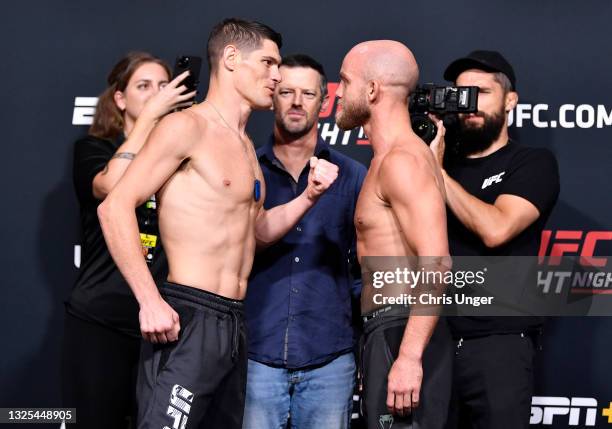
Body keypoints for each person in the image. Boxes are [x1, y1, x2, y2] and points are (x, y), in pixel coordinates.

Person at [97, 19, 339, 429]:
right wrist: (149, 299)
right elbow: (114, 207)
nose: (276, 76)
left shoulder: (246, 146)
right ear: (230, 58)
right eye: (267, 63)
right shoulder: (186, 126)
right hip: (187, 316)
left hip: (233, 322)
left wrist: (308, 197)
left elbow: (256, 231)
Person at [62, 51, 195, 429]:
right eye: (143, 86)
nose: (155, 93)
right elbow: (110, 185)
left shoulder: (178, 156)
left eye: (162, 86)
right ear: (120, 99)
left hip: (162, 322)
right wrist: (151, 117)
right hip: (101, 318)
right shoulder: (93, 150)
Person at [429, 50, 560, 428]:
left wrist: (436, 174)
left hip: (497, 341)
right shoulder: (436, 159)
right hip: (431, 338)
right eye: (461, 94)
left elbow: (496, 229)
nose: (468, 104)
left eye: (481, 92)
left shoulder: (531, 163)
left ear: (510, 100)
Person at [242, 54, 366, 429]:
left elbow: (364, 269)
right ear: (272, 96)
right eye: (287, 92)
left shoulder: (353, 175)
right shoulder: (246, 168)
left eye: (308, 93)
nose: (297, 102)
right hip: (255, 355)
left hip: (329, 357)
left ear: (324, 101)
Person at [336, 40, 453, 429]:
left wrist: (408, 356)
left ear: (372, 90)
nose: (338, 92)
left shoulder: (402, 161)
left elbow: (436, 263)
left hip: (403, 330)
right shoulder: (385, 160)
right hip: (386, 332)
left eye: (345, 81)